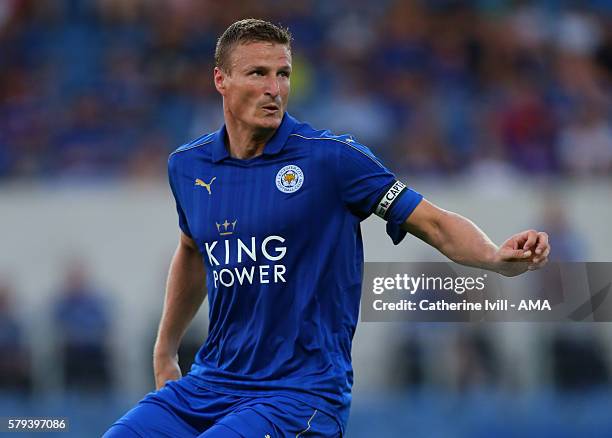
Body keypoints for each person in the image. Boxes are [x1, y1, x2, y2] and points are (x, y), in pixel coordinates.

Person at [105, 19, 550, 437]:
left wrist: (494, 257)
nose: (274, 89)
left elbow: (432, 221)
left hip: (299, 396)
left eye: (283, 74)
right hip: (210, 384)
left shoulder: (332, 159)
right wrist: (165, 350)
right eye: (258, 74)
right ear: (221, 80)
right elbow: (192, 250)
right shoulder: (188, 166)